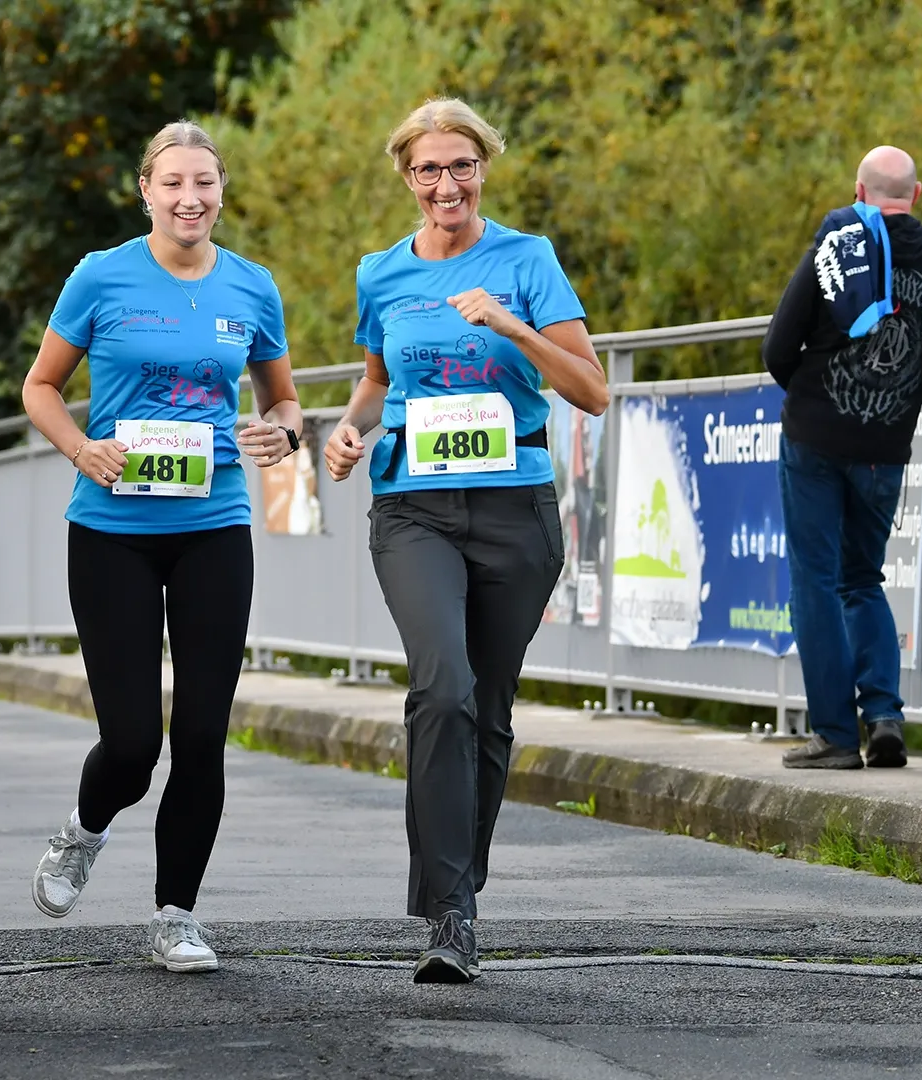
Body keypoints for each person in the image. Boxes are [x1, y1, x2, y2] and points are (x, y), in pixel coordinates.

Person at [322, 99, 607, 984]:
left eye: (461, 166)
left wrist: (513, 326)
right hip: (414, 507)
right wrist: (349, 429)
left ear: (484, 167)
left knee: (487, 709)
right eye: (428, 169)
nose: (446, 184)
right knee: (442, 688)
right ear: (406, 177)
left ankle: (459, 898)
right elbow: (377, 380)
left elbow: (592, 391)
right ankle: (449, 912)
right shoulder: (380, 272)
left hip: (515, 505)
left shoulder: (528, 260)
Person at [21, 120, 302, 974]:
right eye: (173, 182)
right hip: (113, 532)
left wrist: (283, 435)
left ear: (221, 190)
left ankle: (177, 914)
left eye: (204, 182)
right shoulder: (100, 276)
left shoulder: (252, 286)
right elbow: (40, 388)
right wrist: (81, 449)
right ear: (145, 190)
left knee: (204, 735)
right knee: (134, 742)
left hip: (214, 524)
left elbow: (283, 402)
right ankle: (84, 831)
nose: (190, 198)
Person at [765, 145, 922, 771]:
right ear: (917, 194)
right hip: (885, 449)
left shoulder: (837, 244)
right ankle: (884, 718)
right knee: (862, 579)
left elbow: (778, 346)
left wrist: (816, 399)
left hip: (814, 440)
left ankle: (833, 735)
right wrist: (890, 406)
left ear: (859, 191)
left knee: (815, 584)